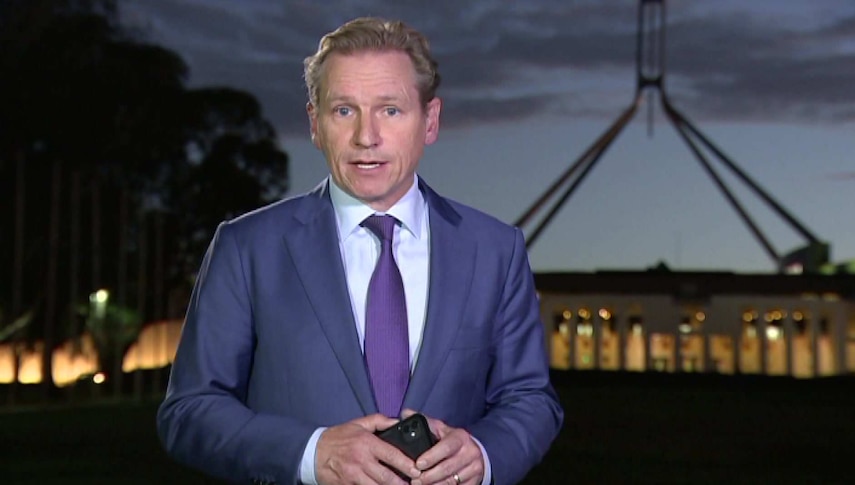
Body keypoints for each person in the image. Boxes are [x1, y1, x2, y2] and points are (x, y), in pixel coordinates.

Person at [157, 16, 563, 485]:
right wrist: (311, 455)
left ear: (430, 121)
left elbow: (531, 399)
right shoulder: (247, 248)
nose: (366, 136)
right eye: (344, 110)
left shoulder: (495, 250)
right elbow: (188, 412)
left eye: (390, 110)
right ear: (315, 124)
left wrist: (484, 455)